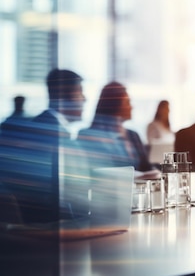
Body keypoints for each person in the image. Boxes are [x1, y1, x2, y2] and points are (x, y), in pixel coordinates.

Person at [0, 69, 87, 223]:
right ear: (65, 95)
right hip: (52, 226)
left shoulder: (43, 127)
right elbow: (65, 193)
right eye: (80, 92)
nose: (84, 99)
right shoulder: (53, 135)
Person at [78, 82, 152, 172]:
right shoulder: (89, 135)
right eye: (127, 102)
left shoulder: (133, 135)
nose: (132, 107)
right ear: (114, 105)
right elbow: (97, 170)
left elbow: (146, 167)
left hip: (139, 185)